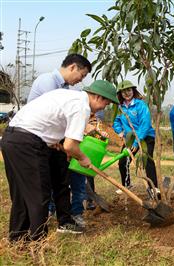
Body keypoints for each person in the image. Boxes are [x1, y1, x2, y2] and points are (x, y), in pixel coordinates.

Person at [1, 80, 118, 241]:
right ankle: (37, 242)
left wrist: (56, 143)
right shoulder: (82, 107)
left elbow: (53, 127)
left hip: (12, 138)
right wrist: (83, 158)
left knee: (21, 194)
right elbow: (71, 145)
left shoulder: (69, 96)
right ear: (98, 97)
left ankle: (18, 239)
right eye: (106, 103)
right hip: (29, 143)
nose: (103, 108)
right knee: (39, 194)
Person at [27, 53, 92, 228]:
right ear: (73, 67)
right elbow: (52, 115)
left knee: (61, 180)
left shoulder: (65, 88)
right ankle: (42, 219)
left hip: (54, 141)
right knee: (45, 183)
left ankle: (64, 220)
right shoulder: (48, 82)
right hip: (38, 140)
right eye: (82, 75)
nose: (81, 80)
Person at [112, 80, 158, 197]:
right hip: (130, 137)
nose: (127, 93)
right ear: (120, 94)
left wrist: (137, 142)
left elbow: (145, 124)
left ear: (133, 90)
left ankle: (154, 188)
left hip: (146, 136)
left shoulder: (141, 105)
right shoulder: (120, 107)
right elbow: (116, 121)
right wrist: (120, 131)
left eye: (129, 90)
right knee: (123, 161)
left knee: (147, 161)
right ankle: (126, 185)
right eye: (123, 91)